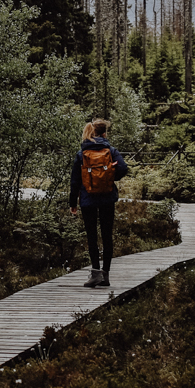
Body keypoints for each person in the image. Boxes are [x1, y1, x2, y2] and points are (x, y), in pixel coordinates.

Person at [69, 118, 129, 287]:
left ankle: (95, 273)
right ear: (104, 133)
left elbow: (75, 181)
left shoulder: (81, 154)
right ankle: (106, 275)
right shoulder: (110, 150)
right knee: (107, 236)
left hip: (87, 199)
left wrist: (73, 202)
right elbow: (123, 168)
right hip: (107, 198)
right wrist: (110, 177)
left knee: (92, 236)